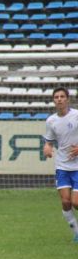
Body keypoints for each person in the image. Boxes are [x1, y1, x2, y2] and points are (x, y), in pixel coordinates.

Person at [43, 87, 78, 243]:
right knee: (65, 202)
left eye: (62, 96)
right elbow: (49, 141)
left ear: (67, 99)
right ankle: (77, 233)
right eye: (56, 97)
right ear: (53, 100)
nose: (59, 99)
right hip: (62, 166)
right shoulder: (51, 121)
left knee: (76, 202)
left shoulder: (76, 115)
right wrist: (47, 147)